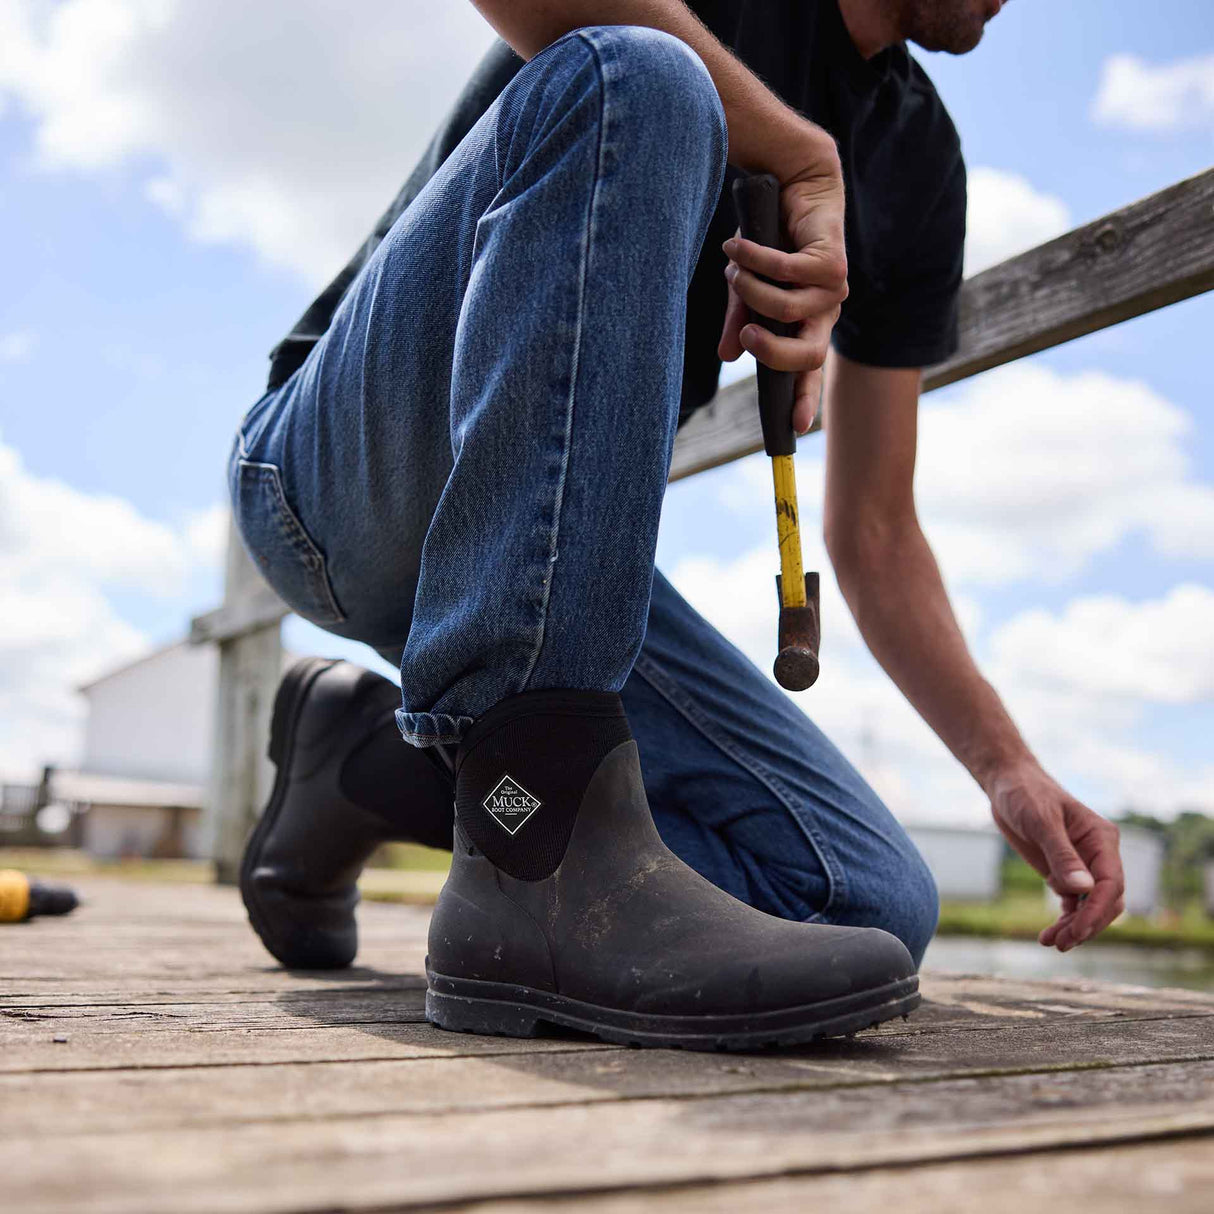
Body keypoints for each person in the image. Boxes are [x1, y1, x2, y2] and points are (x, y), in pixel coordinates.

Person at [229, 0, 1126, 1049]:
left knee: (862, 897)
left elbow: (875, 527)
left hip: (535, 559)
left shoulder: (917, 161)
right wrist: (796, 158)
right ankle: (536, 856)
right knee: (639, 76)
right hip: (341, 487)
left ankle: (375, 764)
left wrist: (1004, 764)